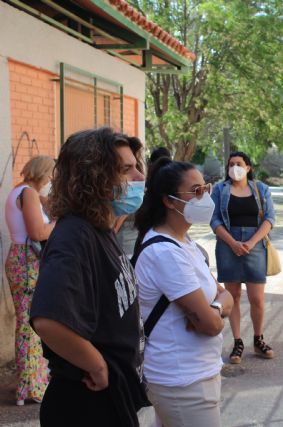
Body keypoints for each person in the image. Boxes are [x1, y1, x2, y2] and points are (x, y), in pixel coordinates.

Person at [30, 127, 148, 427]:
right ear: (94, 178)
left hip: (110, 400)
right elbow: (48, 319)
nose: (138, 178)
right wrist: (96, 366)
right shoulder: (74, 236)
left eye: (137, 166)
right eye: (126, 170)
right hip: (85, 404)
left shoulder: (100, 229)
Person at [133, 157, 233, 427]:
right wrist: (217, 308)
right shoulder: (164, 252)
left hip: (196, 374)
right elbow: (211, 325)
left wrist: (215, 306)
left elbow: (225, 296)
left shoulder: (185, 243)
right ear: (169, 200)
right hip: (183, 381)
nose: (205, 198)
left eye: (206, 188)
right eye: (196, 191)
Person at [210, 151, 276, 364]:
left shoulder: (261, 189)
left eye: (238, 164)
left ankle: (258, 339)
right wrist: (233, 242)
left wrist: (251, 242)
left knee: (257, 298)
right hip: (228, 244)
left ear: (248, 167)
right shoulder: (220, 190)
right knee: (233, 296)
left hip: (255, 245)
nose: (234, 168)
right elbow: (214, 220)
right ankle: (238, 342)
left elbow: (269, 219)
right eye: (230, 164)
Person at [4, 155, 55, 406]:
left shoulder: (19, 190)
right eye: (50, 175)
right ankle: (31, 386)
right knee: (29, 325)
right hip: (28, 262)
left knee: (26, 323)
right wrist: (57, 224)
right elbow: (37, 232)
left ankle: (31, 383)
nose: (51, 181)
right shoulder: (29, 193)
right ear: (42, 173)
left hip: (20, 259)